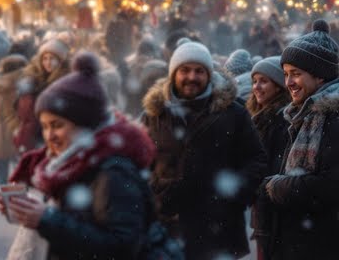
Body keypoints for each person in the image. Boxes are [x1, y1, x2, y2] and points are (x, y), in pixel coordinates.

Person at [3, 53, 160, 260]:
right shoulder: (68, 163)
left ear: (84, 125)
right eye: (45, 126)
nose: (49, 136)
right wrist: (25, 211)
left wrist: (46, 219)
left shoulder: (113, 172)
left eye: (57, 125)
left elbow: (122, 246)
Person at [140, 40, 266, 260]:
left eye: (199, 71)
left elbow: (256, 160)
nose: (192, 77)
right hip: (167, 228)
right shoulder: (154, 114)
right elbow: (137, 164)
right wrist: (157, 192)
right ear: (173, 74)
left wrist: (230, 192)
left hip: (218, 230)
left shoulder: (233, 113)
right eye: (185, 70)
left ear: (208, 75)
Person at [263, 21, 339, 257]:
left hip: (321, 242)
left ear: (320, 77)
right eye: (286, 74)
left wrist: (278, 186)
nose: (288, 82)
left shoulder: (333, 119)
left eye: (296, 74)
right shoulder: (300, 116)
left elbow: (330, 185)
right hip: (303, 239)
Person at [247, 56, 289, 260]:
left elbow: (272, 167)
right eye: (254, 81)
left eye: (263, 81)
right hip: (264, 211)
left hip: (273, 212)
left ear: (279, 86)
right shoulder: (261, 118)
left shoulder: (279, 120)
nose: (257, 86)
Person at [14, 37, 70, 152]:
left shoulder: (67, 80)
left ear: (60, 60)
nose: (48, 62)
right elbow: (20, 111)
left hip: (57, 136)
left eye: (52, 59)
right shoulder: (33, 80)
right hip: (36, 136)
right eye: (45, 58)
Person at [0, 54, 28, 184]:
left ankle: (4, 198)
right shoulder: (20, 84)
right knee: (20, 171)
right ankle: (17, 198)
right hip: (16, 130)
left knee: (2, 173)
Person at [124, 38, 169, 115]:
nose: (145, 63)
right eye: (141, 59)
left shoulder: (161, 68)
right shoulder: (133, 70)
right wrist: (136, 73)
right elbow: (131, 100)